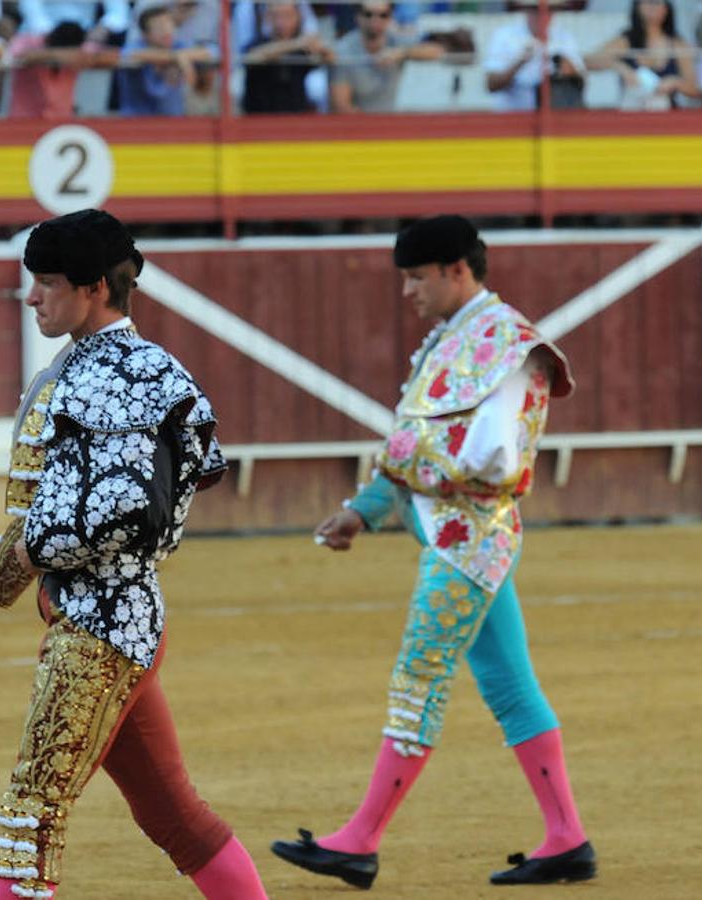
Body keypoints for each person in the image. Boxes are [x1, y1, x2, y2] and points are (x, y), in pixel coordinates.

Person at [0, 209, 268, 900]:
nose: (30, 297)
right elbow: (45, 517)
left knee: (31, 811)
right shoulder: (105, 369)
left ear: (94, 289)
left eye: (46, 283)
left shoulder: (125, 376)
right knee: (174, 814)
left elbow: (128, 513)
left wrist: (30, 558)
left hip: (103, 629)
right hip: (108, 617)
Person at [270, 215, 596, 889]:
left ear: (456, 269)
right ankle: (566, 838)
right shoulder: (455, 339)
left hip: (467, 545)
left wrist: (411, 471)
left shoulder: (507, 344)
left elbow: (496, 463)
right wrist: (363, 510)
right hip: (462, 541)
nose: (408, 293)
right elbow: (425, 451)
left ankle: (359, 840)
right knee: (510, 686)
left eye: (416, 278)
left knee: (420, 676)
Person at [329, 0, 443, 113]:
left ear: (390, 17)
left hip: (389, 121)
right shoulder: (344, 49)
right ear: (357, 16)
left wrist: (403, 53)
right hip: (357, 124)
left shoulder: (396, 41)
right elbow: (341, 106)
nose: (375, 20)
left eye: (383, 15)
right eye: (368, 14)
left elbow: (437, 51)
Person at [584, 0, 699, 109]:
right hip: (633, 114)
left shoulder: (677, 44)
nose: (652, 7)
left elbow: (695, 88)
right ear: (637, 6)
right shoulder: (626, 41)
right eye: (647, 2)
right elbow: (588, 61)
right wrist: (621, 68)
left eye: (657, 2)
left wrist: (675, 82)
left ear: (666, 8)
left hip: (667, 116)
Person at [484, 0, 585, 111]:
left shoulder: (564, 37)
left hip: (556, 119)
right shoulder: (504, 36)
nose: (542, 16)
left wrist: (568, 68)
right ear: (526, 10)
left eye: (548, 10)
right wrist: (520, 62)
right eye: (536, 10)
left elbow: (581, 81)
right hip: (512, 119)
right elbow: (491, 84)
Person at [241, 0, 332, 114]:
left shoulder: (303, 48)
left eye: (287, 15)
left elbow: (330, 58)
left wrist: (321, 48)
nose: (281, 22)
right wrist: (297, 43)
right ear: (267, 17)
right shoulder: (257, 43)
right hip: (259, 120)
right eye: (276, 15)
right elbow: (251, 58)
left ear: (298, 17)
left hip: (296, 120)